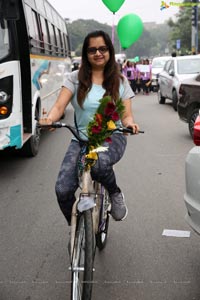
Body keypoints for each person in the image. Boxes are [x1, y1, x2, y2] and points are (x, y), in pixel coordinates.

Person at [39, 30, 140, 225]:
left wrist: (130, 124)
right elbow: (59, 106)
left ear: (109, 51)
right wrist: (49, 119)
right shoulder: (74, 78)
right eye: (92, 50)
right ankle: (78, 230)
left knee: (99, 163)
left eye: (102, 49)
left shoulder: (120, 80)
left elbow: (126, 115)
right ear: (86, 54)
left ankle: (114, 192)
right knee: (63, 190)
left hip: (112, 137)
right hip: (81, 139)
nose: (98, 53)